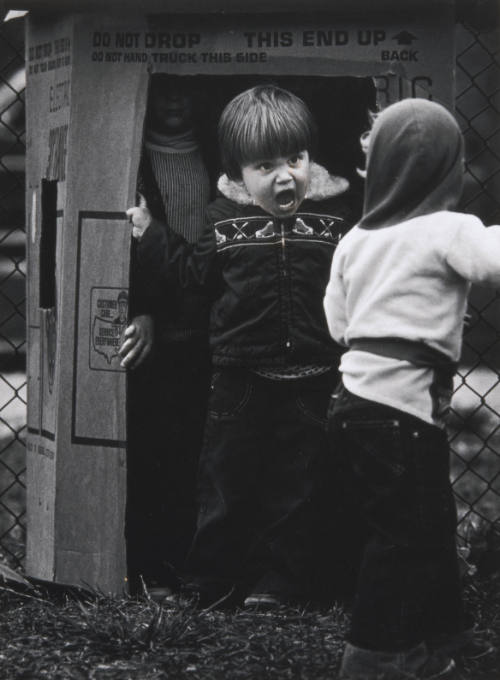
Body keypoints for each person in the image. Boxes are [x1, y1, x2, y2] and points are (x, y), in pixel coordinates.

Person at [126, 84, 357, 608]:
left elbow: (357, 280)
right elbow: (192, 273)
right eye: (265, 164)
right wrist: (153, 234)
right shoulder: (222, 219)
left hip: (312, 375)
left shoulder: (338, 217)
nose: (284, 175)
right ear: (235, 171)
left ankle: (279, 585)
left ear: (310, 156)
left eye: (295, 159)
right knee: (223, 485)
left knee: (296, 488)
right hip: (238, 376)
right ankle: (209, 582)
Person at [323, 98, 500, 680]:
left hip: (354, 404)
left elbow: (340, 325)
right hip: (400, 411)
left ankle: (433, 636)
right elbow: (492, 262)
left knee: (421, 523)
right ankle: (375, 658)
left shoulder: (355, 239)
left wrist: (410, 317)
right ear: (448, 170)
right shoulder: (450, 229)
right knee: (403, 537)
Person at [119, 75, 213, 594]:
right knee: (157, 448)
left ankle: (192, 566)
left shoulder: (219, 158)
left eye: (186, 88)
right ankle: (152, 567)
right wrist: (145, 306)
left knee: (202, 451)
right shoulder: (130, 157)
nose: (176, 99)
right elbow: (122, 243)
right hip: (162, 325)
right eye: (164, 89)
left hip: (210, 322)